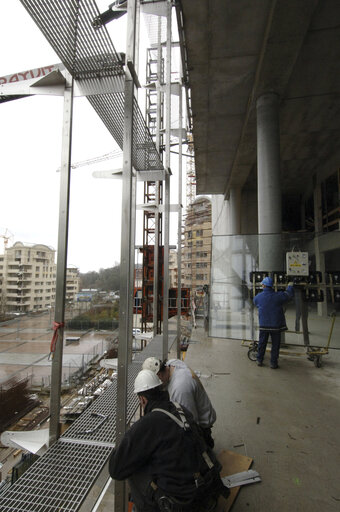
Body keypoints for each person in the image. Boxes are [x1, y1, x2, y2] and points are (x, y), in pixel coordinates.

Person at [109, 369, 229, 512]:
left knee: (133, 469)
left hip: (181, 503)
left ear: (142, 399)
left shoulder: (148, 424)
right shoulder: (181, 409)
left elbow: (115, 469)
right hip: (205, 490)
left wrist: (130, 439)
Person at [142, 357, 216, 448]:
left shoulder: (180, 389)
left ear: (159, 375)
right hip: (201, 413)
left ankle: (205, 445)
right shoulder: (173, 363)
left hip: (201, 430)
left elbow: (190, 424)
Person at [253, 276, 294, 369]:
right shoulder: (278, 296)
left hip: (263, 325)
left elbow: (255, 302)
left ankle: (259, 360)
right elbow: (288, 295)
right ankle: (273, 363)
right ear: (272, 286)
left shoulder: (258, 297)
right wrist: (290, 285)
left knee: (262, 343)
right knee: (275, 345)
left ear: (263, 285)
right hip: (276, 326)